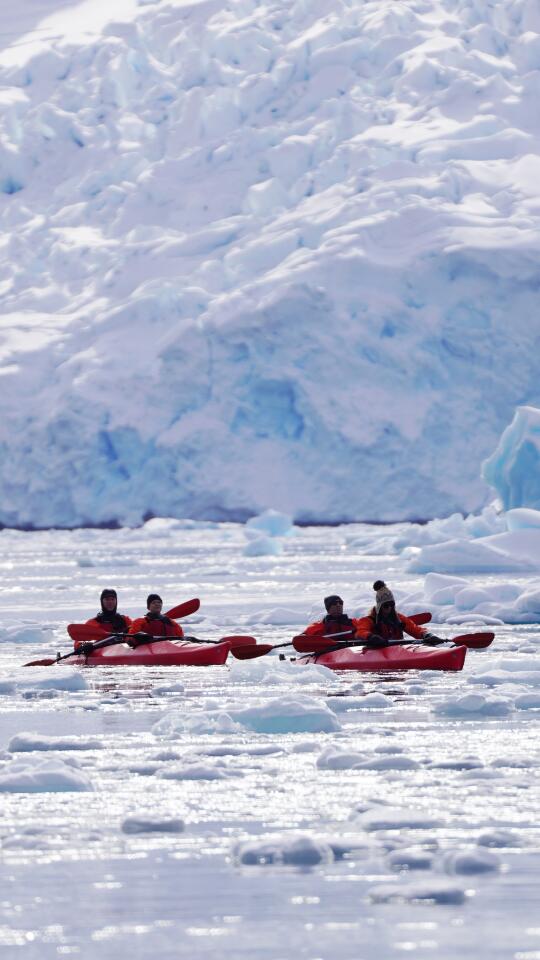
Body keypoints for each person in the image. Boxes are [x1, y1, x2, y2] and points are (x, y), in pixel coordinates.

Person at [354, 581, 444, 647]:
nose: (389, 608)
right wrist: (371, 636)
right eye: (386, 605)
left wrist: (427, 635)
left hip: (398, 650)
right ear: (379, 607)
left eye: (391, 604)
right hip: (376, 650)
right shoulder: (368, 620)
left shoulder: (399, 618)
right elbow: (360, 632)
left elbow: (415, 629)